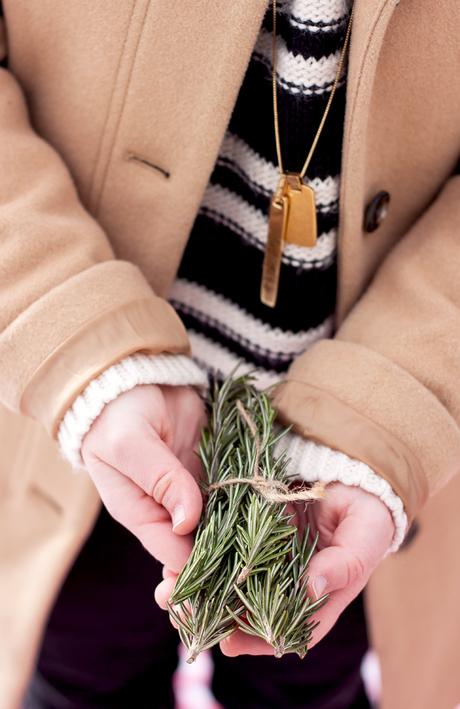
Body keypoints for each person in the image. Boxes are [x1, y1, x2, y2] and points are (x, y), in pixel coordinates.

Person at [0, 1, 459, 708]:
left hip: (354, 477)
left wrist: (395, 402)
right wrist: (71, 333)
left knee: (308, 678)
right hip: (82, 444)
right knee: (78, 666)